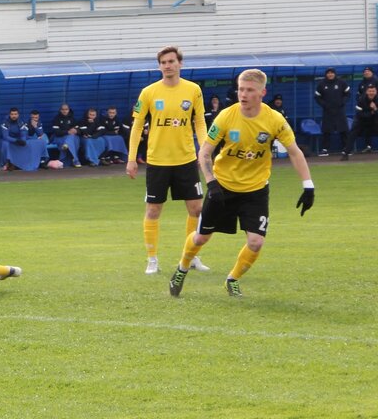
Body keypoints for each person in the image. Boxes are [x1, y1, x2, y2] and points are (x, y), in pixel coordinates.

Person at [169, 69, 314, 299]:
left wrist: (308, 185)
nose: (243, 94)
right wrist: (212, 183)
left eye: (249, 90)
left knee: (256, 242)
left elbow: (295, 152)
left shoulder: (274, 120)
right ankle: (182, 268)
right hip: (223, 188)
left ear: (262, 93)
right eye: (240, 89)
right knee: (201, 238)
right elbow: (204, 154)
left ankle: (232, 280)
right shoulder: (226, 116)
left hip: (255, 191)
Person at [127, 46, 212, 276]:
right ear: (159, 66)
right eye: (163, 62)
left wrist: (204, 150)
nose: (168, 65)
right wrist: (132, 158)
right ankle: (152, 259)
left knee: (197, 208)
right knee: (153, 210)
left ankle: (192, 256)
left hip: (185, 159)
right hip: (157, 161)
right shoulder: (149, 92)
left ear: (180, 64)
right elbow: (136, 126)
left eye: (171, 61)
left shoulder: (193, 90)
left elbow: (199, 122)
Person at [314, 67, 351, 156]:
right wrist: (324, 105)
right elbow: (317, 97)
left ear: (335, 74)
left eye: (332, 73)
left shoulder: (341, 82)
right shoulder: (322, 84)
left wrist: (343, 102)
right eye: (328, 73)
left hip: (340, 110)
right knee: (326, 130)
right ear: (326, 74)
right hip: (328, 111)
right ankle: (325, 149)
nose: (330, 74)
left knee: (343, 130)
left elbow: (348, 94)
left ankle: (346, 149)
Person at [344, 80, 378, 157]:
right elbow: (360, 114)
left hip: (374, 121)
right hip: (361, 121)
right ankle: (346, 153)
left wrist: (375, 109)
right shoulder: (361, 100)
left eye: (373, 91)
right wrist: (371, 113)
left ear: (376, 92)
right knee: (352, 133)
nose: (371, 93)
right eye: (370, 91)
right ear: (366, 92)